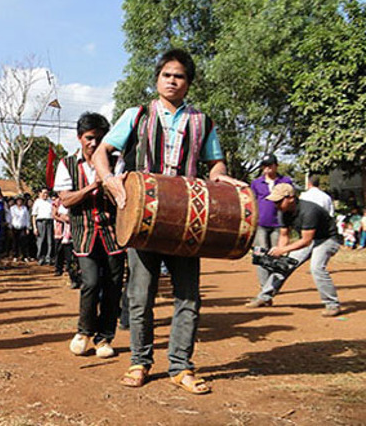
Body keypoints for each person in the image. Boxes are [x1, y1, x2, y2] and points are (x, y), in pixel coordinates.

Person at [93, 49, 244, 394]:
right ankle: (140, 362)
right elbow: (102, 151)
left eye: (179, 76)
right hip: (142, 218)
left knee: (188, 296)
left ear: (188, 83)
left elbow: (215, 163)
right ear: (158, 78)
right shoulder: (137, 115)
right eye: (167, 75)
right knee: (140, 295)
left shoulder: (202, 121)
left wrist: (221, 177)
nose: (172, 81)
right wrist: (109, 181)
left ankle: (180, 366)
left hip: (188, 219)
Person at [54, 112, 126, 359]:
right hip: (84, 233)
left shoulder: (117, 162)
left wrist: (108, 183)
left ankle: (105, 338)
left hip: (114, 233)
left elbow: (123, 196)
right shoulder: (66, 164)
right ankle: (83, 331)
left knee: (113, 286)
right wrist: (92, 186)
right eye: (89, 138)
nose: (94, 143)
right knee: (91, 283)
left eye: (100, 138)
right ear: (79, 138)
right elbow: (66, 199)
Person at [246, 183, 343, 317]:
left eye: (279, 201)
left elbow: (306, 240)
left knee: (317, 268)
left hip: (328, 239)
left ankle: (332, 305)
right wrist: (280, 252)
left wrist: (283, 250)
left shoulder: (309, 211)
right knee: (284, 265)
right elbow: (284, 235)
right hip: (310, 239)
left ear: (290, 198)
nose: (276, 205)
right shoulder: (283, 212)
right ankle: (264, 297)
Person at [250, 154, 293, 289]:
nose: (267, 169)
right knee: (262, 256)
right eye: (264, 166)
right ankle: (264, 286)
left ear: (276, 166)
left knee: (277, 255)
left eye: (270, 166)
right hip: (261, 224)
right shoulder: (256, 183)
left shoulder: (285, 181)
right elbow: (252, 202)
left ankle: (274, 284)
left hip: (279, 224)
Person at [32, 188, 53, 265]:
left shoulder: (51, 201)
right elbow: (34, 215)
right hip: (40, 222)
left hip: (50, 222)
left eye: (47, 193)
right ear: (40, 193)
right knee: (41, 241)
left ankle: (48, 257)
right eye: (44, 193)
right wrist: (34, 227)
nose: (45, 194)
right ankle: (40, 257)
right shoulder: (37, 202)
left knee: (49, 241)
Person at [10, 196, 30, 263]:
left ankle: (24, 256)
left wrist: (28, 227)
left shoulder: (25, 208)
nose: (19, 202)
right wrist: (10, 227)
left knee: (23, 242)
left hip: (22, 227)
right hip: (14, 227)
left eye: (21, 200)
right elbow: (10, 218)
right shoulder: (12, 208)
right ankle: (15, 256)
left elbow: (27, 218)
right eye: (18, 200)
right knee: (15, 242)